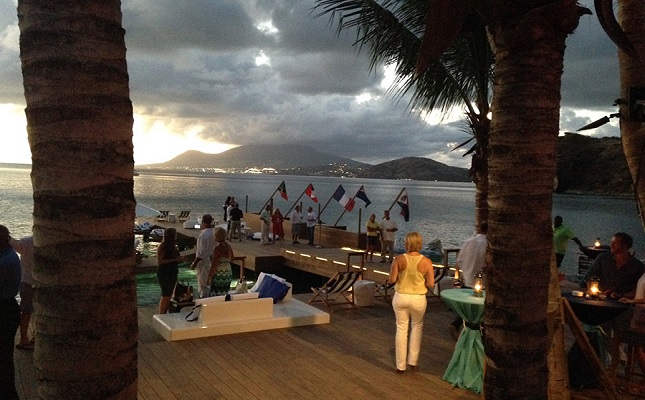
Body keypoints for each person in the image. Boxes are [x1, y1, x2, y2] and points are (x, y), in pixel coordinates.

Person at [389, 232, 434, 373]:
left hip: (401, 296)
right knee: (417, 327)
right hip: (418, 298)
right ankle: (413, 361)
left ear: (407, 243)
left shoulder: (398, 259)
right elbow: (431, 283)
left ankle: (400, 365)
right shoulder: (426, 262)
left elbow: (392, 280)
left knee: (401, 329)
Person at [449, 222, 488, 339]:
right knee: (481, 311)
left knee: (467, 309)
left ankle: (458, 326)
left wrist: (464, 273)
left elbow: (459, 260)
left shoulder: (469, 242)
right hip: (483, 283)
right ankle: (475, 336)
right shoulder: (488, 244)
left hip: (468, 279)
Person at [580, 232, 645, 298]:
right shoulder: (603, 258)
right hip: (600, 298)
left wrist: (622, 295)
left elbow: (639, 289)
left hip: (623, 301)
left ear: (625, 245)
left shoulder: (637, 266)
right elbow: (588, 277)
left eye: (615, 243)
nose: (611, 245)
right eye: (611, 242)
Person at [0, 225, 21, 399]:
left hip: (4, 310)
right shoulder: (8, 255)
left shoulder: (5, 261)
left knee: (3, 358)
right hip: (8, 307)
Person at [10, 235, 35, 350]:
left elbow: (12, 243)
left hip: (27, 281)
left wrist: (8, 236)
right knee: (35, 311)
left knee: (26, 311)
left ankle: (24, 338)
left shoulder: (26, 242)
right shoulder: (41, 243)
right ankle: (32, 336)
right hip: (41, 283)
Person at [619, 271, 645, 374]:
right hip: (638, 312)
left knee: (639, 347)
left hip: (642, 314)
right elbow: (639, 291)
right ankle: (629, 373)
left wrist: (632, 301)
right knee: (632, 345)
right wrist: (624, 296)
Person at [156, 228, 183, 314]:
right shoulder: (163, 246)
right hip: (165, 272)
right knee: (166, 294)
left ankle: (166, 311)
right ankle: (162, 313)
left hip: (172, 271)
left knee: (170, 293)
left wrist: (179, 260)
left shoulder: (173, 245)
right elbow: (160, 261)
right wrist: (174, 259)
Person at [190, 214, 216, 298]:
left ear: (203, 222)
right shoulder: (215, 233)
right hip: (213, 261)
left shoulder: (203, 235)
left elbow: (201, 253)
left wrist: (194, 263)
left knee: (203, 284)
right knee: (210, 283)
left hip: (204, 262)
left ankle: (203, 299)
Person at [209, 227, 234, 296]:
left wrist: (209, 277)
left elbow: (214, 264)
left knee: (216, 293)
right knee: (225, 292)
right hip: (227, 270)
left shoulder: (217, 248)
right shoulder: (228, 246)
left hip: (219, 272)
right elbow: (232, 259)